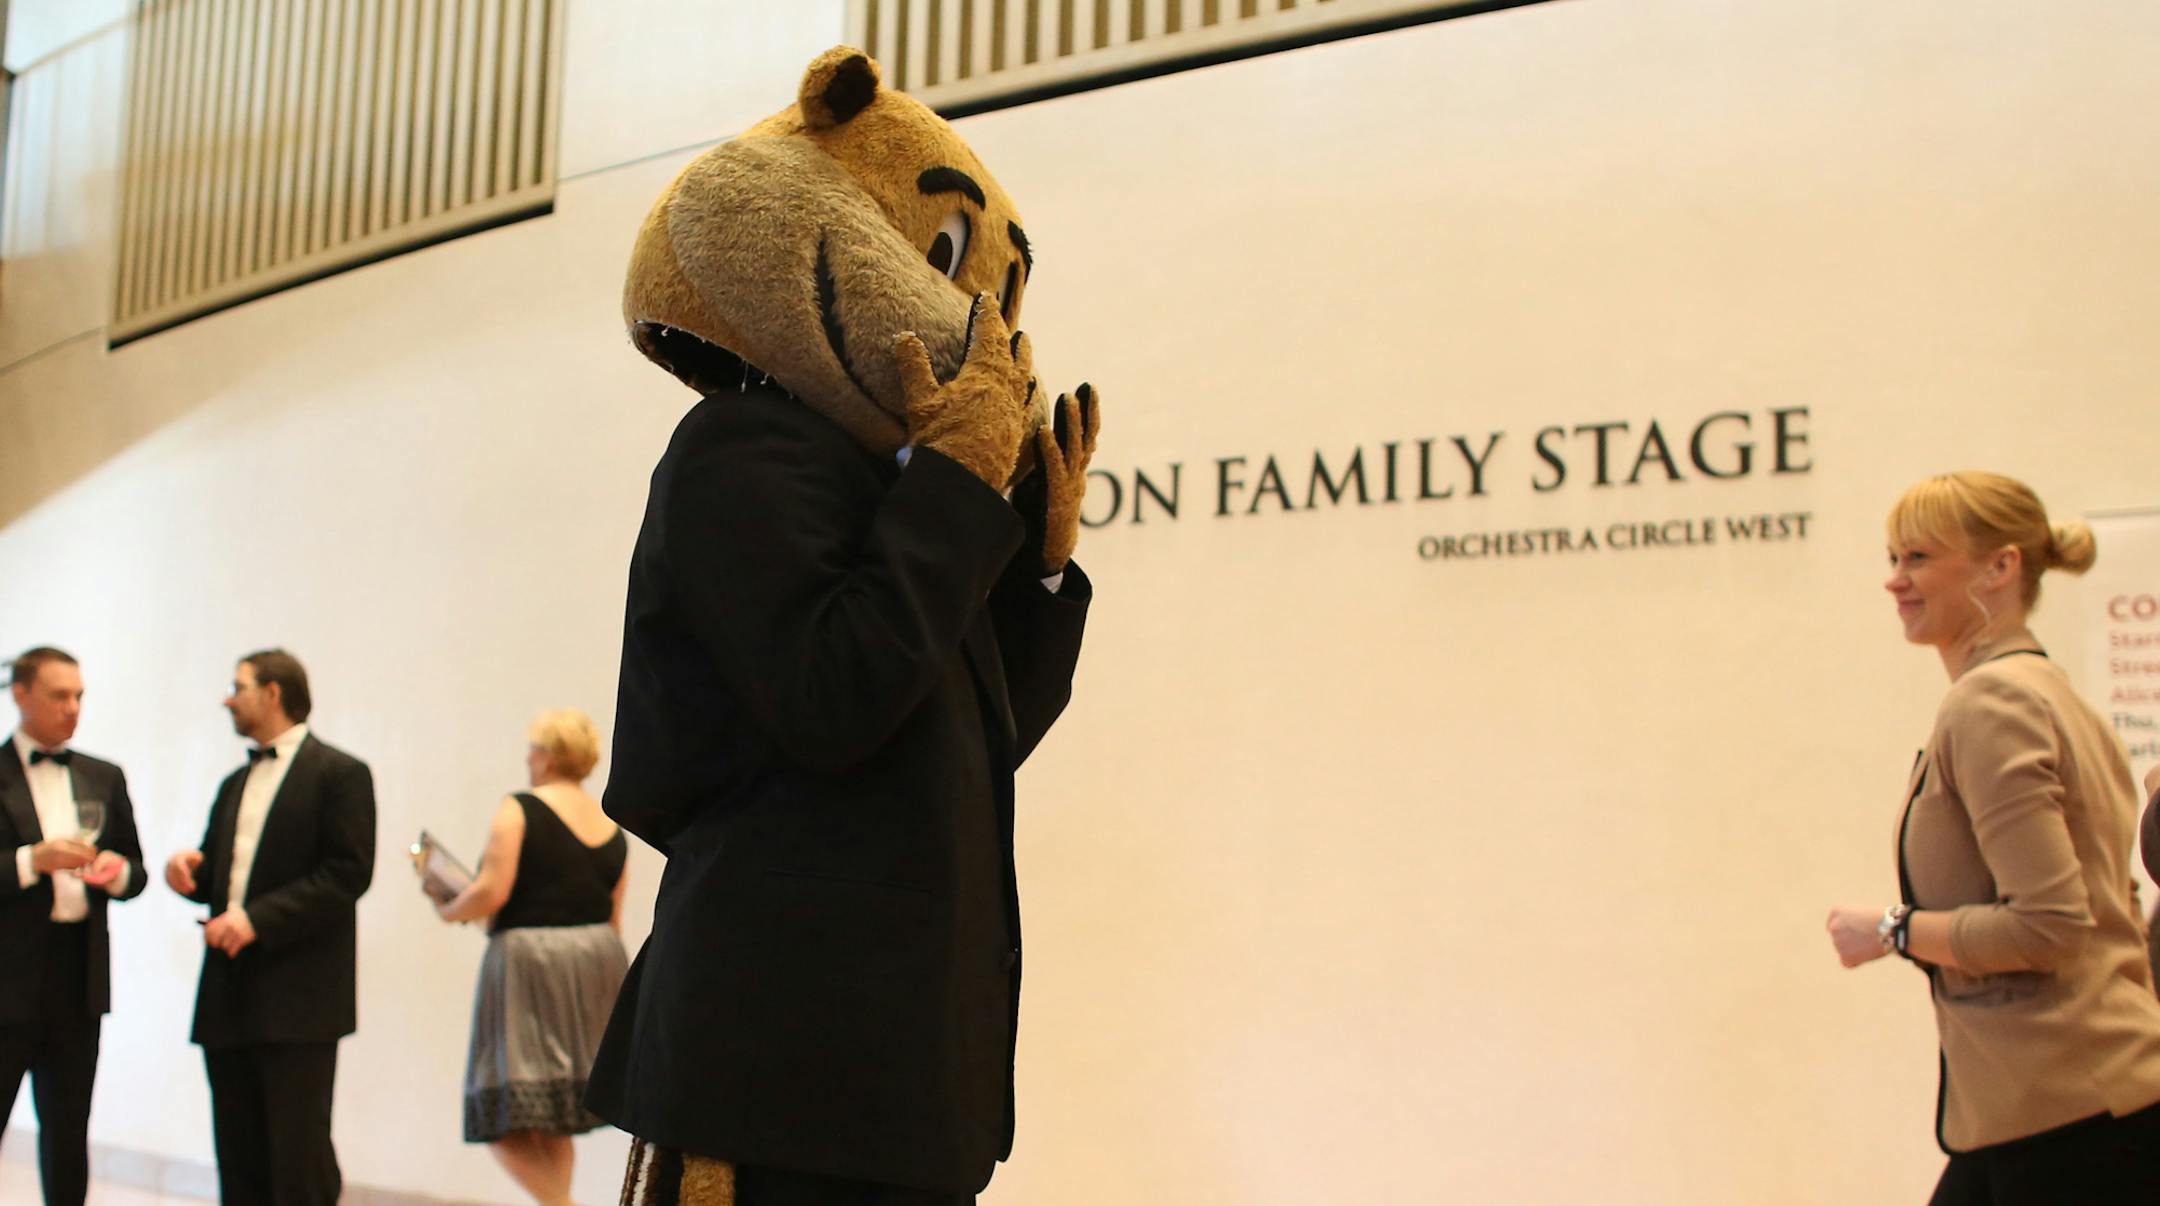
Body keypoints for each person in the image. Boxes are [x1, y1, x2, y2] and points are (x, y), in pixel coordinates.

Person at [1826, 471, 2160, 1204]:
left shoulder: (1992, 702)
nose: (1894, 580)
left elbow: (2048, 925)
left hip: (2067, 1117)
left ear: (2000, 567)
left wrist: (1891, 929)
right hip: (2056, 1106)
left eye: (1918, 557)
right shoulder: (2054, 695)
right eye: (1892, 557)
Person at [163, 649, 375, 1206]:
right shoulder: (235, 781)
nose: (227, 699)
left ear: (273, 693)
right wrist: (187, 871)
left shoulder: (341, 774)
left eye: (238, 687)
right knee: (238, 1155)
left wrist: (256, 920)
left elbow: (348, 874)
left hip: (299, 997)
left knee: (299, 1157)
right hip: (228, 992)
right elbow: (222, 871)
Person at [428, 708, 628, 1206]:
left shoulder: (518, 809)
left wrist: (449, 908)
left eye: (532, 748)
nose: (527, 758)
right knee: (556, 1116)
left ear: (547, 756)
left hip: (530, 965)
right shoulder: (611, 820)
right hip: (596, 963)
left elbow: (492, 891)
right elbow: (613, 916)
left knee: (502, 1118)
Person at [0, 647, 145, 1206]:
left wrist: (115, 873)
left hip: (77, 978)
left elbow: (135, 870)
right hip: (6, 978)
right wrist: (30, 861)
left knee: (68, 1132)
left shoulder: (103, 775)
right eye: (59, 695)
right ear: (21, 694)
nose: (73, 707)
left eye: (79, 696)